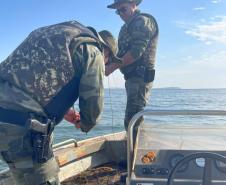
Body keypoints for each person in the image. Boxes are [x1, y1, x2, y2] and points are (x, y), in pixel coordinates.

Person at [0, 20, 120, 185]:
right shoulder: (93, 49)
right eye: (107, 62)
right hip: (21, 126)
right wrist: (85, 123)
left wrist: (65, 111)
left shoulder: (60, 32)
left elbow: (31, 80)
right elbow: (93, 107)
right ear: (106, 52)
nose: (105, 67)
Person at [106, 0, 159, 137]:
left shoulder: (143, 21)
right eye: (118, 11)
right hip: (131, 79)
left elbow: (136, 52)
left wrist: (111, 67)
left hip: (140, 78)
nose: (120, 14)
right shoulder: (124, 29)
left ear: (134, 5)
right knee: (133, 120)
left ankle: (136, 156)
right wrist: (104, 65)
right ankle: (136, 150)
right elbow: (120, 55)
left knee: (132, 121)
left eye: (123, 9)